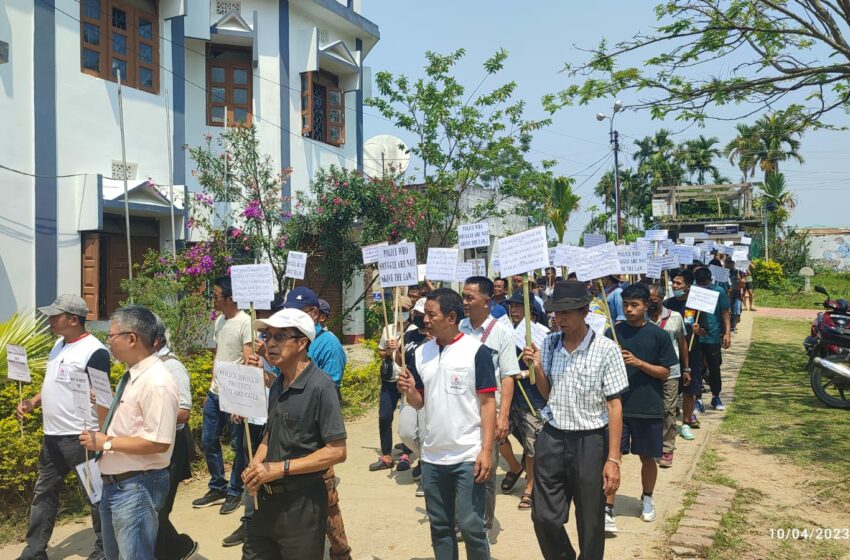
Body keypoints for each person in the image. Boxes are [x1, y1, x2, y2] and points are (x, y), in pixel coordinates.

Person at [520, 280, 628, 560]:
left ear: (584, 311)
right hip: (553, 437)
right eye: (556, 313)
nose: (560, 319)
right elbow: (547, 393)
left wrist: (613, 459)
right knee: (544, 516)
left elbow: (615, 405)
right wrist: (538, 366)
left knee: (591, 519)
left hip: (590, 441)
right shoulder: (551, 342)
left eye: (566, 313)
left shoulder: (606, 349)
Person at [397, 288, 497, 560]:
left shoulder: (477, 352)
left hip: (467, 454)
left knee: (471, 525)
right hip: (433, 457)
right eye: (425, 315)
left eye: (431, 314)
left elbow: (488, 404)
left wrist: (486, 451)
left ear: (451, 317)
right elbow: (420, 402)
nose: (425, 320)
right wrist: (410, 391)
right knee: (440, 526)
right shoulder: (421, 353)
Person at [241, 308, 347, 559]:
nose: (270, 344)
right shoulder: (278, 383)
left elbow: (337, 451)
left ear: (301, 343)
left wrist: (281, 468)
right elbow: (271, 433)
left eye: (279, 337)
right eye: (268, 337)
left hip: (302, 506)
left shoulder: (322, 387)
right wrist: (255, 463)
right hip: (264, 504)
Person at [80, 305, 179, 560]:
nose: (109, 342)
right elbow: (132, 420)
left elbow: (158, 442)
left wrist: (107, 443)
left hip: (137, 485)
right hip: (116, 484)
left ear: (132, 338)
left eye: (112, 336)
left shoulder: (156, 382)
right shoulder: (133, 376)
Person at [16, 295, 109, 560]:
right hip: (52, 437)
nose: (50, 320)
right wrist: (33, 401)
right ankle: (34, 551)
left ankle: (104, 549)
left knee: (95, 496)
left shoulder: (95, 351)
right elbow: (52, 383)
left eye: (55, 316)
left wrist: (101, 434)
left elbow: (102, 395)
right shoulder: (58, 345)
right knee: (43, 493)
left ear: (73, 319)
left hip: (83, 437)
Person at [283, 287, 351, 560]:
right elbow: (279, 383)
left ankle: (340, 550)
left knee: (326, 497)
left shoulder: (329, 344)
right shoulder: (286, 344)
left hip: (318, 433)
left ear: (313, 314)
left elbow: (329, 390)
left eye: (295, 312)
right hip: (288, 431)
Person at [603, 283, 678, 532]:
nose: (629, 309)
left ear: (646, 305)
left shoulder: (659, 336)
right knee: (614, 458)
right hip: (618, 408)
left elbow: (665, 372)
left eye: (634, 305)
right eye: (625, 304)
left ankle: (647, 498)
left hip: (647, 406)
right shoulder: (613, 332)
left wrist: (639, 363)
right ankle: (608, 508)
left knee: (648, 457)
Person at [222, 296, 284, 548]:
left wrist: (266, 363)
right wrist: (240, 404)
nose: (269, 339)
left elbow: (279, 382)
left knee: (274, 476)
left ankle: (272, 525)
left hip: (277, 421)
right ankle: (250, 522)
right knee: (251, 470)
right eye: (266, 334)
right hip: (255, 419)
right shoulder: (257, 347)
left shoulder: (290, 350)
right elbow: (251, 377)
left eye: (275, 335)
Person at [460, 276, 520, 535]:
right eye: (463, 296)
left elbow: (507, 376)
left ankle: (483, 524)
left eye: (469, 297)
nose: (464, 302)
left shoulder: (501, 332)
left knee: (486, 467)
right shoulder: (459, 327)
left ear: (486, 301)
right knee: (462, 466)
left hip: (489, 411)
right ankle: (462, 518)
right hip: (462, 409)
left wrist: (503, 417)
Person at [193, 276, 254, 514]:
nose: (213, 300)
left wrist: (243, 400)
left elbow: (249, 360)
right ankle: (217, 485)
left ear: (230, 298)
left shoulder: (245, 322)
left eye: (216, 296)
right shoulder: (219, 321)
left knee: (239, 445)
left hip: (236, 394)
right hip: (216, 392)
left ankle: (234, 490)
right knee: (209, 440)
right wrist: (211, 386)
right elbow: (218, 355)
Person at [152, 317, 197, 560]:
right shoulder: (144, 365)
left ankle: (178, 548)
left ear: (156, 340)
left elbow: (183, 412)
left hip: (170, 446)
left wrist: (148, 416)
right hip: (149, 446)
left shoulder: (172, 367)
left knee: (158, 508)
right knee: (151, 508)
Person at [502, 291, 547, 511]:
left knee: (532, 447)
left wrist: (526, 373)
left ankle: (529, 487)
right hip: (510, 398)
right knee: (497, 435)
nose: (514, 310)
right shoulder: (505, 332)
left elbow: (545, 369)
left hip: (533, 400)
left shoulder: (543, 335)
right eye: (512, 306)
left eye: (519, 306)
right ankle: (513, 466)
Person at [646, 286, 689, 468]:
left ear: (662, 298)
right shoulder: (642, 319)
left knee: (668, 409)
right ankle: (650, 443)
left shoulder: (676, 317)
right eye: (647, 300)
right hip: (647, 371)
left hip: (671, 373)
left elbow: (682, 342)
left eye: (653, 299)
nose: (650, 303)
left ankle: (667, 448)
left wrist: (686, 368)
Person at [371, 295, 413, 471]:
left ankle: (407, 454)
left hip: (406, 380)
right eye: (397, 310)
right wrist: (389, 349)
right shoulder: (388, 329)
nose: (399, 314)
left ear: (409, 312)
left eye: (403, 310)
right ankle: (386, 455)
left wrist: (400, 350)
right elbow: (380, 352)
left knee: (407, 421)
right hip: (389, 380)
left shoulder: (414, 330)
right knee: (384, 417)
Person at [396, 297, 432, 497]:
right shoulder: (409, 336)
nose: (420, 318)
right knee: (407, 432)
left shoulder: (437, 338)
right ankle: (426, 459)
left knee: (427, 434)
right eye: (416, 314)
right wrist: (397, 349)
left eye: (423, 315)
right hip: (410, 392)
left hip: (428, 394)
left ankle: (428, 474)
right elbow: (400, 359)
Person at [663, 270, 703, 434]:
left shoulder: (696, 306)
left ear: (688, 286)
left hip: (692, 351)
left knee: (690, 388)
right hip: (671, 351)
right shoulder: (667, 304)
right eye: (674, 283)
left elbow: (705, 331)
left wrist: (699, 330)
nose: (675, 286)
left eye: (679, 283)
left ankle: (686, 421)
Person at [693, 267, 732, 411]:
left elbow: (725, 313)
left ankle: (716, 396)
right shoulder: (693, 291)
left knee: (714, 367)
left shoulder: (718, 291)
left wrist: (727, 333)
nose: (702, 285)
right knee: (696, 368)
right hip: (695, 337)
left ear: (710, 280)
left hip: (713, 337)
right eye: (699, 283)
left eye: (705, 283)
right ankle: (697, 399)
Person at [724, 259, 742, 332]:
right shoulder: (722, 272)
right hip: (726, 295)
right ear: (725, 263)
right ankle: (727, 328)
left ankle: (732, 327)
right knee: (727, 312)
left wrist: (740, 279)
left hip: (736, 295)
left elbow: (743, 284)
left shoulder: (737, 272)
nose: (730, 264)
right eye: (728, 262)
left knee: (736, 312)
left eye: (731, 262)